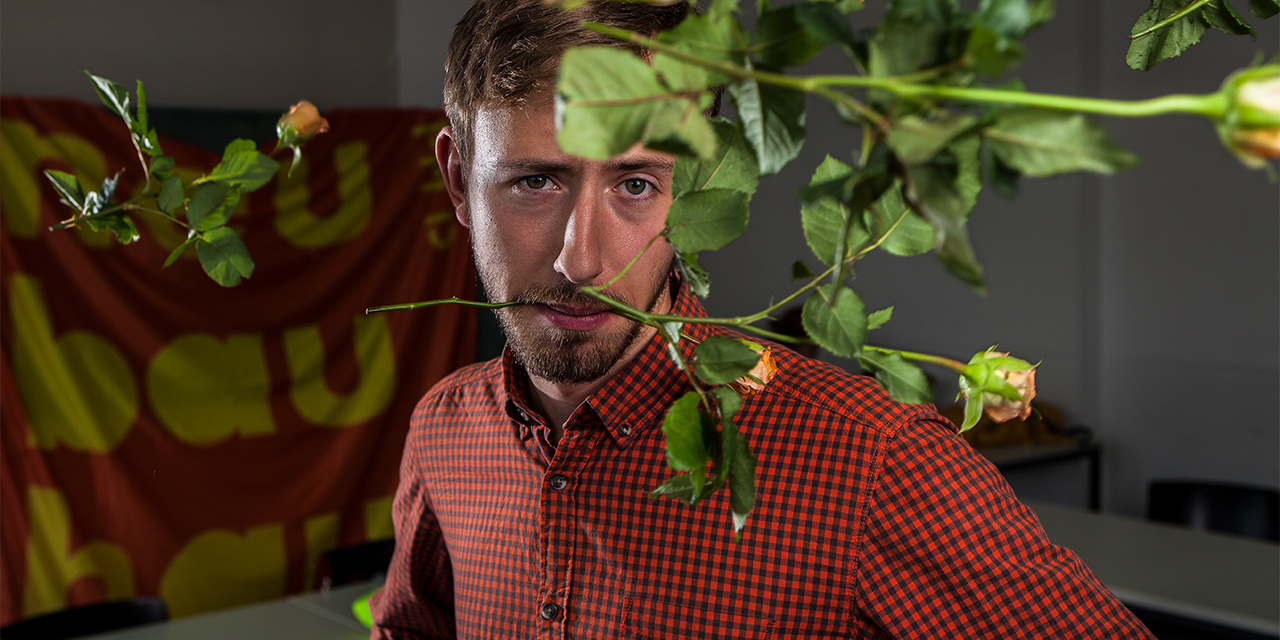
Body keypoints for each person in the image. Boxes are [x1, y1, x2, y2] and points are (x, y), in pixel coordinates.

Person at [369, 1, 1155, 637]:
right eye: (535, 182)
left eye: (637, 184)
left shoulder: (876, 463)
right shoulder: (443, 430)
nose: (582, 261)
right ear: (457, 181)